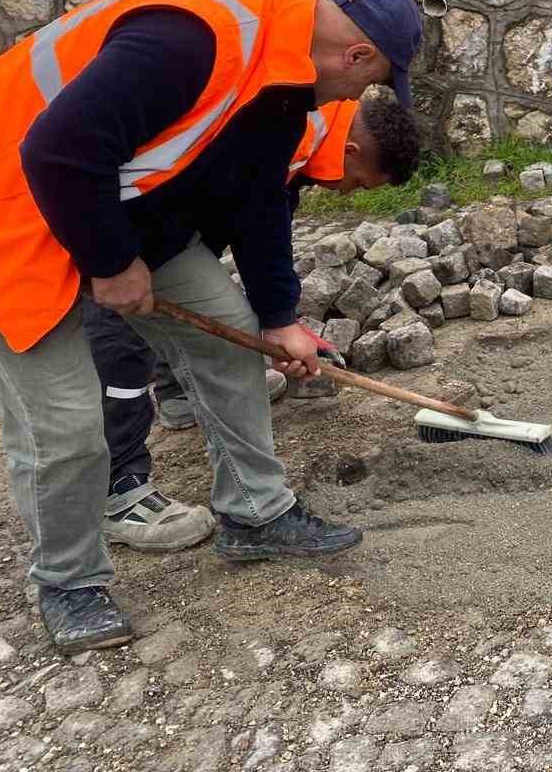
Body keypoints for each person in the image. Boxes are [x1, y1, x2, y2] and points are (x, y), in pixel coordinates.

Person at [0, 0, 423, 652]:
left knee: (230, 341)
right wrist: (110, 261)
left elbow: (259, 205)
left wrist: (279, 320)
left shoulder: (284, 84)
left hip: (109, 206)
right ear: (357, 55)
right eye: (366, 83)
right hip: (9, 212)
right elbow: (56, 149)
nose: (350, 101)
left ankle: (255, 513)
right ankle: (69, 583)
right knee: (66, 427)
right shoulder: (193, 39)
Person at [95, 95, 423, 555]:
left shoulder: (303, 137)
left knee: (207, 324)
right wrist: (278, 323)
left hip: (157, 225)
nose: (349, 194)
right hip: (95, 220)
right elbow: (256, 219)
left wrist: (280, 323)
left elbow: (262, 230)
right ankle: (119, 488)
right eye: (359, 183)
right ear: (350, 152)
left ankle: (179, 396)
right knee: (117, 348)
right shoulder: (284, 125)